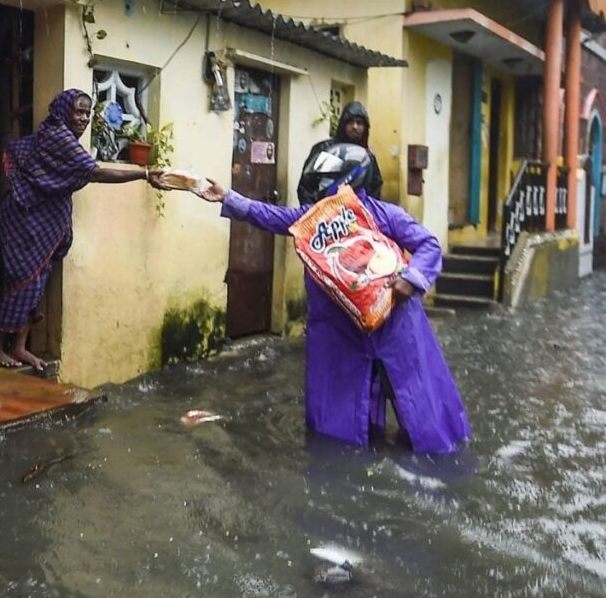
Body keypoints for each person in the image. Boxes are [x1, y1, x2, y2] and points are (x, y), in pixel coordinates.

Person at [184, 149, 471, 455]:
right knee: (340, 418)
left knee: (411, 398)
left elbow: (427, 244)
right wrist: (228, 197)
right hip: (340, 331)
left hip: (393, 323)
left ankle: (432, 453)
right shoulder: (313, 218)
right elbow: (272, 216)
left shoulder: (383, 214)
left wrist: (411, 279)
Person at [0, 88, 164, 371]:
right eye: (78, 111)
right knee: (22, 282)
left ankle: (19, 347)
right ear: (64, 111)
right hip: (26, 219)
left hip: (43, 223)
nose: (83, 118)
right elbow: (95, 172)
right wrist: (143, 173)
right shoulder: (58, 137)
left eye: (87, 113)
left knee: (38, 279)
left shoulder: (55, 134)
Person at [298, 101, 382, 205]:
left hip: (356, 216)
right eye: (350, 122)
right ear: (343, 124)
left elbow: (374, 191)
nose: (354, 126)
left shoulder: (368, 157)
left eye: (359, 123)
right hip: (323, 213)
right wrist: (312, 211)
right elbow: (307, 184)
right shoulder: (326, 149)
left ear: (365, 128)